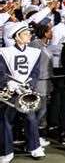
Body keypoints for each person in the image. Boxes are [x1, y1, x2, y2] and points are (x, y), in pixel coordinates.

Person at [0, 21, 45, 162]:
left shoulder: (35, 52)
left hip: (26, 91)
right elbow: (0, 72)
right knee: (5, 119)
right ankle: (6, 151)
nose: (29, 36)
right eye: (25, 34)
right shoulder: (4, 52)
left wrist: (28, 85)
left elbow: (35, 72)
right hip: (10, 92)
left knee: (31, 119)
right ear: (17, 37)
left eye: (29, 33)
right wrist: (9, 82)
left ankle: (34, 147)